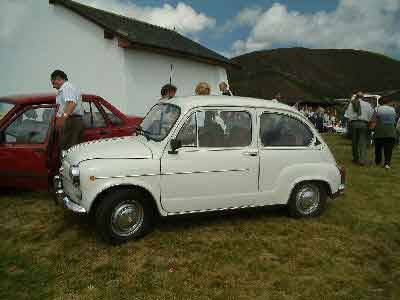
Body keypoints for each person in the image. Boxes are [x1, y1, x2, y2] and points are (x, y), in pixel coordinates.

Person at [51, 70, 84, 152]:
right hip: (71, 120)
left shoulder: (66, 87)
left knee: (68, 150)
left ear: (58, 79)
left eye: (53, 83)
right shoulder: (68, 87)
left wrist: (62, 119)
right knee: (68, 148)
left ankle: (67, 164)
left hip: (71, 121)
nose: (53, 86)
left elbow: (71, 103)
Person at [344, 92, 374, 166]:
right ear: (363, 97)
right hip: (364, 124)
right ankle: (362, 160)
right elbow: (371, 115)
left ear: (356, 97)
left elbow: (347, 115)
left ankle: (356, 158)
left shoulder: (351, 104)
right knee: (362, 142)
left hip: (353, 124)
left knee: (354, 142)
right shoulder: (367, 104)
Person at [373, 98, 397, 169]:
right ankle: (387, 164)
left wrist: (371, 129)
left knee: (378, 149)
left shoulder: (377, 109)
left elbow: (374, 120)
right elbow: (395, 120)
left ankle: (378, 162)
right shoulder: (393, 110)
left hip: (379, 132)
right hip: (391, 132)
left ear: (379, 102)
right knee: (388, 149)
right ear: (387, 102)